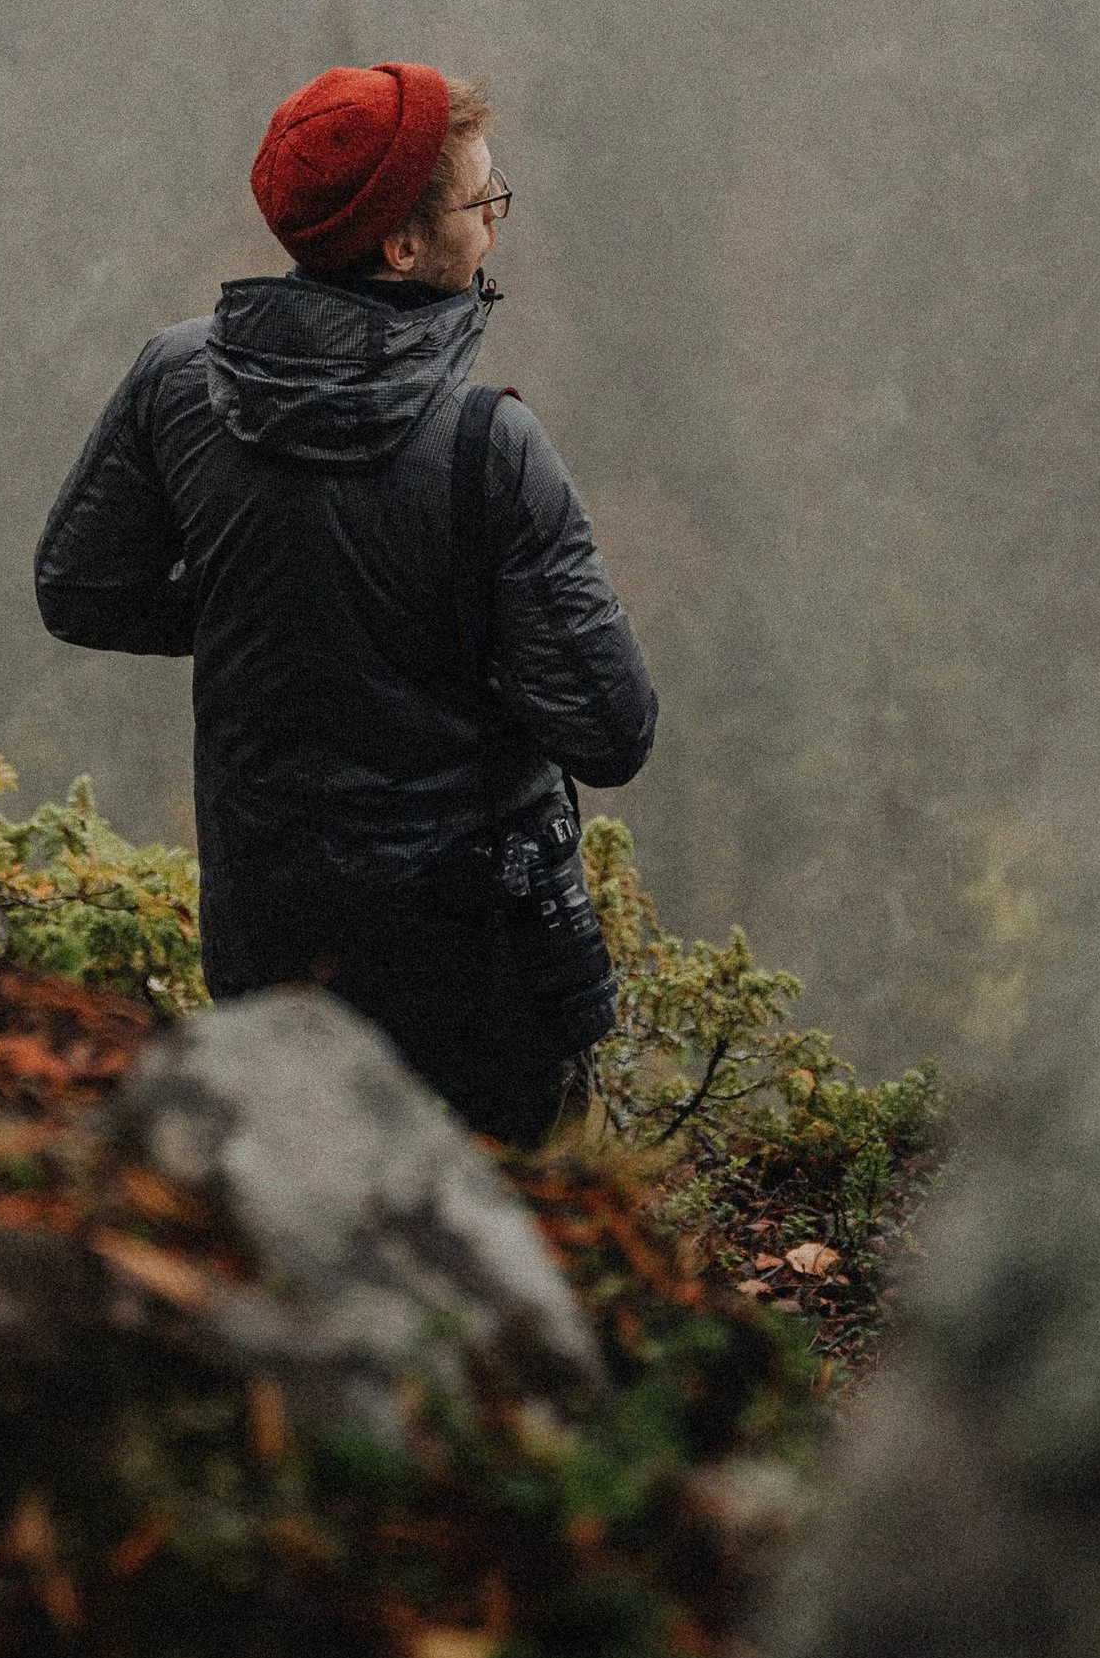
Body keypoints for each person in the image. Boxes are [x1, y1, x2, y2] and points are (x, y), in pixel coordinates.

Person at [34, 62, 657, 1141]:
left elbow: (82, 590)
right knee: (519, 1269)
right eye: (481, 202)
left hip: (266, 945)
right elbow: (609, 731)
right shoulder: (486, 449)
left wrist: (262, 615)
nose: (496, 226)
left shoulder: (179, 380)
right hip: (480, 972)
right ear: (401, 248)